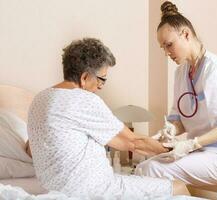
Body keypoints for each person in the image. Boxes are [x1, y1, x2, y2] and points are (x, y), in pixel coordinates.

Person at [27, 38, 190, 199]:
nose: (100, 86)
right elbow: (133, 143)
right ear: (84, 78)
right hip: (97, 190)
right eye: (102, 79)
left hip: (54, 191)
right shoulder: (84, 100)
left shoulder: (39, 100)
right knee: (178, 187)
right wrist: (172, 149)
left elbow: (30, 149)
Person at [135, 1, 217, 186]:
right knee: (143, 165)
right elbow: (179, 120)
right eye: (163, 48)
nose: (166, 52)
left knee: (151, 170)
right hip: (199, 154)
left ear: (186, 34)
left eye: (169, 45)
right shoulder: (181, 73)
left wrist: (192, 143)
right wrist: (171, 129)